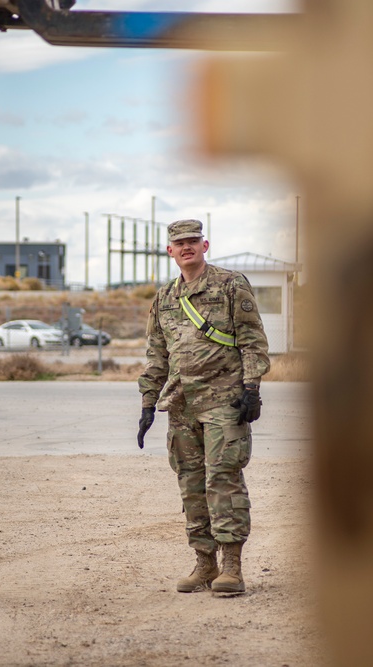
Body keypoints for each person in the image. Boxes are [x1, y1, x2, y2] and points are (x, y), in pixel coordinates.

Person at [137, 219, 270, 594]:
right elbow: (156, 355)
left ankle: (232, 568)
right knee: (191, 485)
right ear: (170, 251)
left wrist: (251, 388)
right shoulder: (164, 297)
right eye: (180, 243)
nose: (187, 247)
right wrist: (148, 404)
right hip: (182, 407)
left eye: (193, 240)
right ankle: (205, 564)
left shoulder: (230, 284)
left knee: (223, 480)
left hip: (224, 403)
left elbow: (252, 340)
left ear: (205, 245)